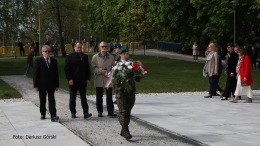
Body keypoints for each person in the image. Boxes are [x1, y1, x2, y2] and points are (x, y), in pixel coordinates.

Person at [114, 46, 139, 140]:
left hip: (130, 91)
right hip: (120, 90)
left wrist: (137, 77)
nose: (126, 55)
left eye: (127, 53)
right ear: (120, 54)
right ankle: (125, 130)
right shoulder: (116, 64)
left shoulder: (132, 64)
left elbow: (136, 73)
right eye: (124, 54)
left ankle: (123, 127)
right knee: (124, 110)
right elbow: (112, 77)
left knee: (128, 108)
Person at [64, 41, 92, 119]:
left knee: (83, 97)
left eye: (80, 47)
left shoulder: (85, 56)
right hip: (73, 81)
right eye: (78, 47)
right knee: (73, 97)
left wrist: (88, 78)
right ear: (74, 47)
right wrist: (69, 79)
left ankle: (86, 113)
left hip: (82, 81)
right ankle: (73, 112)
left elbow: (87, 69)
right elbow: (66, 69)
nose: (79, 48)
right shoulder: (69, 57)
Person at [33, 45, 59, 122]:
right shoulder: (38, 61)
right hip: (42, 84)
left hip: (51, 84)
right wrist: (35, 85)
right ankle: (43, 113)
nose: (47, 53)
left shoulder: (54, 61)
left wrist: (57, 85)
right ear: (42, 52)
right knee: (42, 100)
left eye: (48, 51)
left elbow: (56, 74)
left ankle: (53, 115)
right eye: (46, 51)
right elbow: (35, 74)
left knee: (52, 100)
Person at [91, 41, 117, 117]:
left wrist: (109, 72)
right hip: (98, 78)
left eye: (105, 46)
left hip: (108, 79)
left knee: (109, 96)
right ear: (99, 48)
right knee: (99, 96)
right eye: (102, 46)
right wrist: (100, 71)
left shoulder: (111, 57)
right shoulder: (95, 57)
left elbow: (114, 67)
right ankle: (99, 111)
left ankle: (110, 111)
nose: (104, 48)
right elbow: (93, 68)